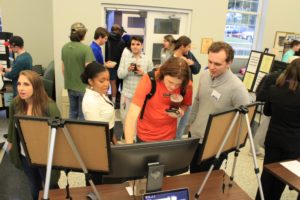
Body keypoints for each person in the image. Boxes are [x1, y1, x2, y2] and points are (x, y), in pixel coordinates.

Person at [188, 41, 249, 173]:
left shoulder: (237, 88)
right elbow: (198, 100)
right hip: (195, 136)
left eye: (217, 64)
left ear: (229, 63)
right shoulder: (204, 75)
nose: (211, 67)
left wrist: (228, 145)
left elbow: (244, 121)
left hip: (215, 144)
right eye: (209, 62)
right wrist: (190, 123)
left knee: (205, 182)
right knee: (193, 175)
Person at [6, 70, 60, 200]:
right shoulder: (16, 103)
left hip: (45, 157)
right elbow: (12, 124)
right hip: (26, 156)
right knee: (34, 188)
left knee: (51, 188)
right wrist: (10, 140)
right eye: (19, 84)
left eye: (26, 84)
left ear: (36, 87)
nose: (21, 88)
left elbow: (59, 134)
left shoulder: (49, 106)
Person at [255, 58, 300, 200]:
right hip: (293, 143)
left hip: (273, 138)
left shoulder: (274, 89)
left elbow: (267, 112)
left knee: (267, 174)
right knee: (281, 177)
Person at [124, 57, 193, 143]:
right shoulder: (149, 80)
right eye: (170, 82)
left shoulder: (187, 85)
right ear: (163, 74)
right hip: (146, 135)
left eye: (178, 84)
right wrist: (129, 147)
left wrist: (181, 111)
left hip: (169, 136)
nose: (173, 87)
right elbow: (131, 115)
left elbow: (185, 104)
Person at [81, 61, 116, 185]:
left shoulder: (100, 94)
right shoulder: (90, 101)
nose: (107, 84)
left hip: (107, 139)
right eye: (102, 81)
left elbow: (108, 121)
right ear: (91, 81)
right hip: (98, 147)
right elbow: (96, 133)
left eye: (107, 80)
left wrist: (113, 139)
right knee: (98, 182)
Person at [118, 36, 153, 126]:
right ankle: (126, 136)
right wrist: (128, 70)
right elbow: (119, 75)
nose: (135, 46)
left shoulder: (147, 59)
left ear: (142, 45)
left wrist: (143, 73)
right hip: (126, 94)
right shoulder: (125, 58)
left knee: (138, 119)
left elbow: (152, 79)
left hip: (141, 95)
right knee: (124, 117)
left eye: (138, 44)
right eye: (133, 44)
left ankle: (135, 137)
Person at [62, 22, 95, 120]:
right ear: (83, 34)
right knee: (82, 115)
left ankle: (70, 135)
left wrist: (69, 81)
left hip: (70, 86)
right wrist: (91, 85)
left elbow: (63, 69)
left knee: (72, 112)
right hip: (83, 88)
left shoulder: (64, 47)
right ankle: (79, 135)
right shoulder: (86, 49)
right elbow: (89, 69)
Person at [173, 35, 201, 138]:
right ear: (182, 46)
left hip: (188, 95)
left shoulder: (189, 55)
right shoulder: (172, 58)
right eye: (188, 47)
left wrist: (191, 64)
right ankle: (170, 142)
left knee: (184, 122)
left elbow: (197, 69)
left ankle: (178, 140)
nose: (189, 49)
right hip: (176, 96)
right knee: (174, 122)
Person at [105, 24, 126, 105]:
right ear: (118, 30)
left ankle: (105, 101)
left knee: (105, 82)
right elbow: (122, 55)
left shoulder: (106, 38)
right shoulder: (121, 41)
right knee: (113, 83)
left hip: (106, 64)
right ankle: (113, 102)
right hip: (116, 65)